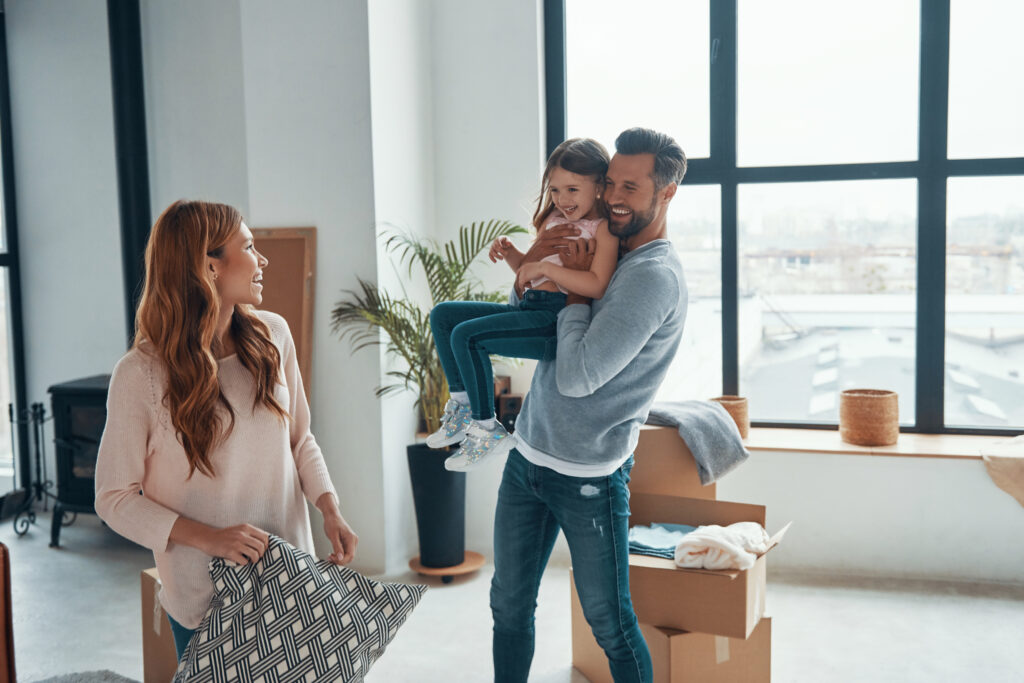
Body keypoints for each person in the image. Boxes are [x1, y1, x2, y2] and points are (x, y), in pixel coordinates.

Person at [94, 200, 358, 660]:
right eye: (251, 247)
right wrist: (209, 537)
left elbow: (300, 438)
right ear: (209, 266)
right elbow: (113, 497)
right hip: (205, 602)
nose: (264, 259)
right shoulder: (140, 375)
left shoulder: (273, 336)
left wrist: (329, 507)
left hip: (289, 580)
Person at [489, 128, 689, 683]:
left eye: (631, 185)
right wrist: (541, 267)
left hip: (588, 477)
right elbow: (529, 314)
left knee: (610, 624)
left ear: (666, 192)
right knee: (508, 605)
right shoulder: (598, 244)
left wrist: (574, 290)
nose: (615, 196)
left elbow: (576, 377)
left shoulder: (649, 277)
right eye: (611, 182)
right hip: (529, 454)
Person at [428, 138, 619, 472]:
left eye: (572, 189)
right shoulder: (551, 220)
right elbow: (527, 275)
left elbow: (597, 284)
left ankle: (487, 429)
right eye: (555, 190)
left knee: (467, 337)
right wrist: (513, 254)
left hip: (555, 321)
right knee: (443, 316)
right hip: (531, 307)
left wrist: (546, 268)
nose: (562, 199)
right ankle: (461, 407)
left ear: (600, 185)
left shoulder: (603, 230)